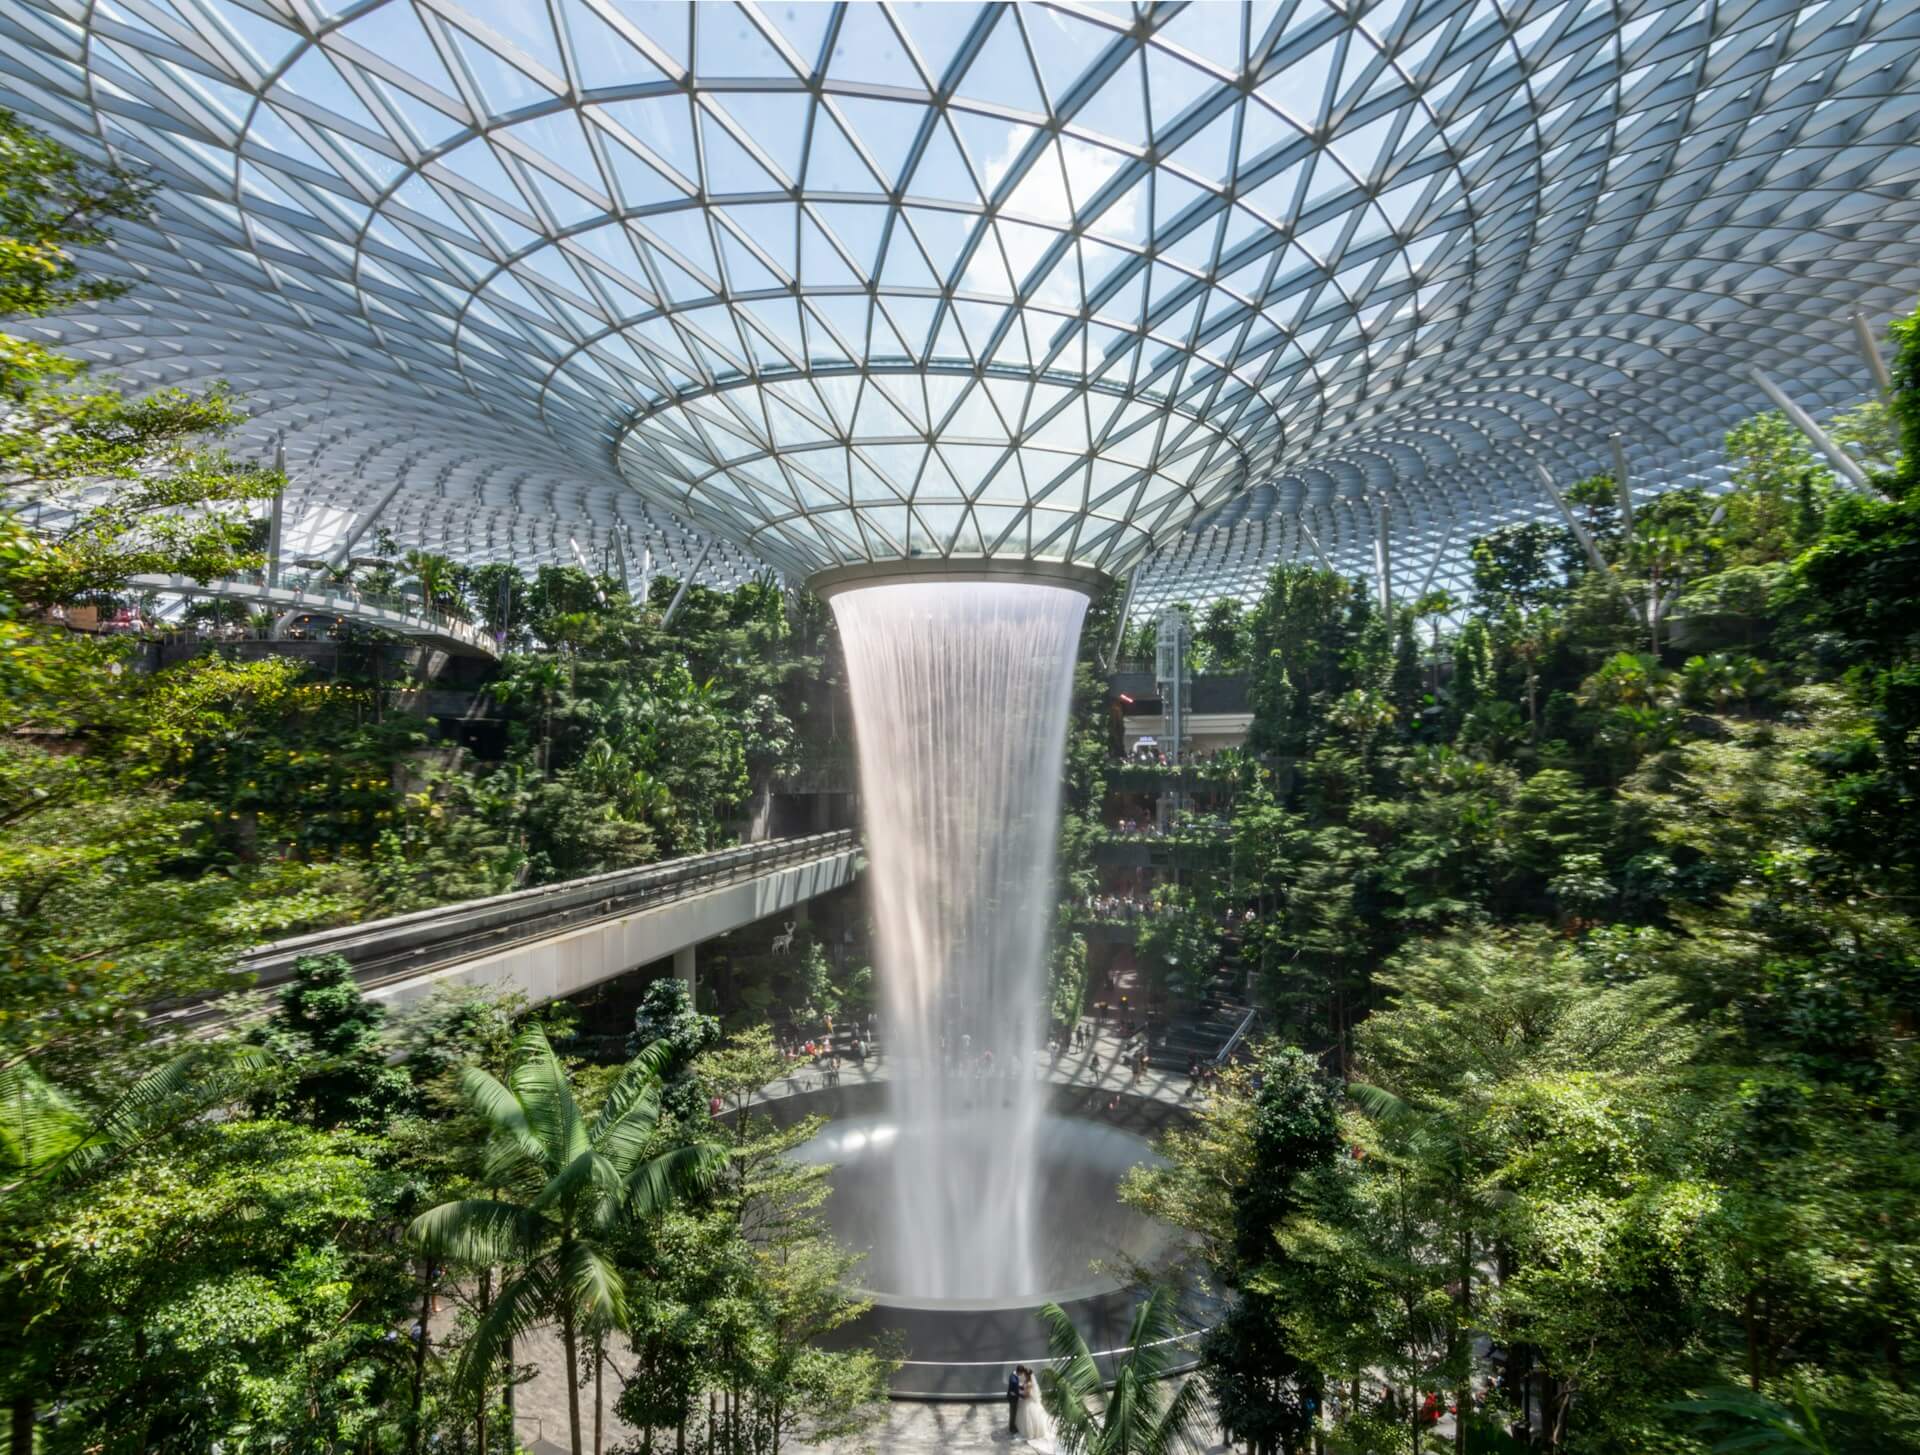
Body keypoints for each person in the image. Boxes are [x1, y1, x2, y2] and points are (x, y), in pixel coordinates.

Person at [1016, 1364, 1054, 1444]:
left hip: (1029, 1402)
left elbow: (1027, 1395)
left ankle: (1032, 1432)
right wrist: (1020, 1387)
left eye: (1024, 1374)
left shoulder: (1029, 1383)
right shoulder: (1026, 1381)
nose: (1023, 1376)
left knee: (1030, 1418)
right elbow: (1024, 1387)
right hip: (1027, 1401)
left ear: (1027, 1375)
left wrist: (1018, 1394)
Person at [1006, 1366, 1022, 1434]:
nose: (1021, 1375)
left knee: (1013, 1413)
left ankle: (1012, 1425)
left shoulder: (1013, 1374)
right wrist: (1023, 1396)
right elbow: (1016, 1392)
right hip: (1013, 1399)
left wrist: (1021, 1387)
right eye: (1020, 1373)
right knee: (1013, 1413)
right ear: (1018, 1372)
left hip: (1011, 1396)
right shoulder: (1014, 1380)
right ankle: (1012, 1428)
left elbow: (1016, 1387)